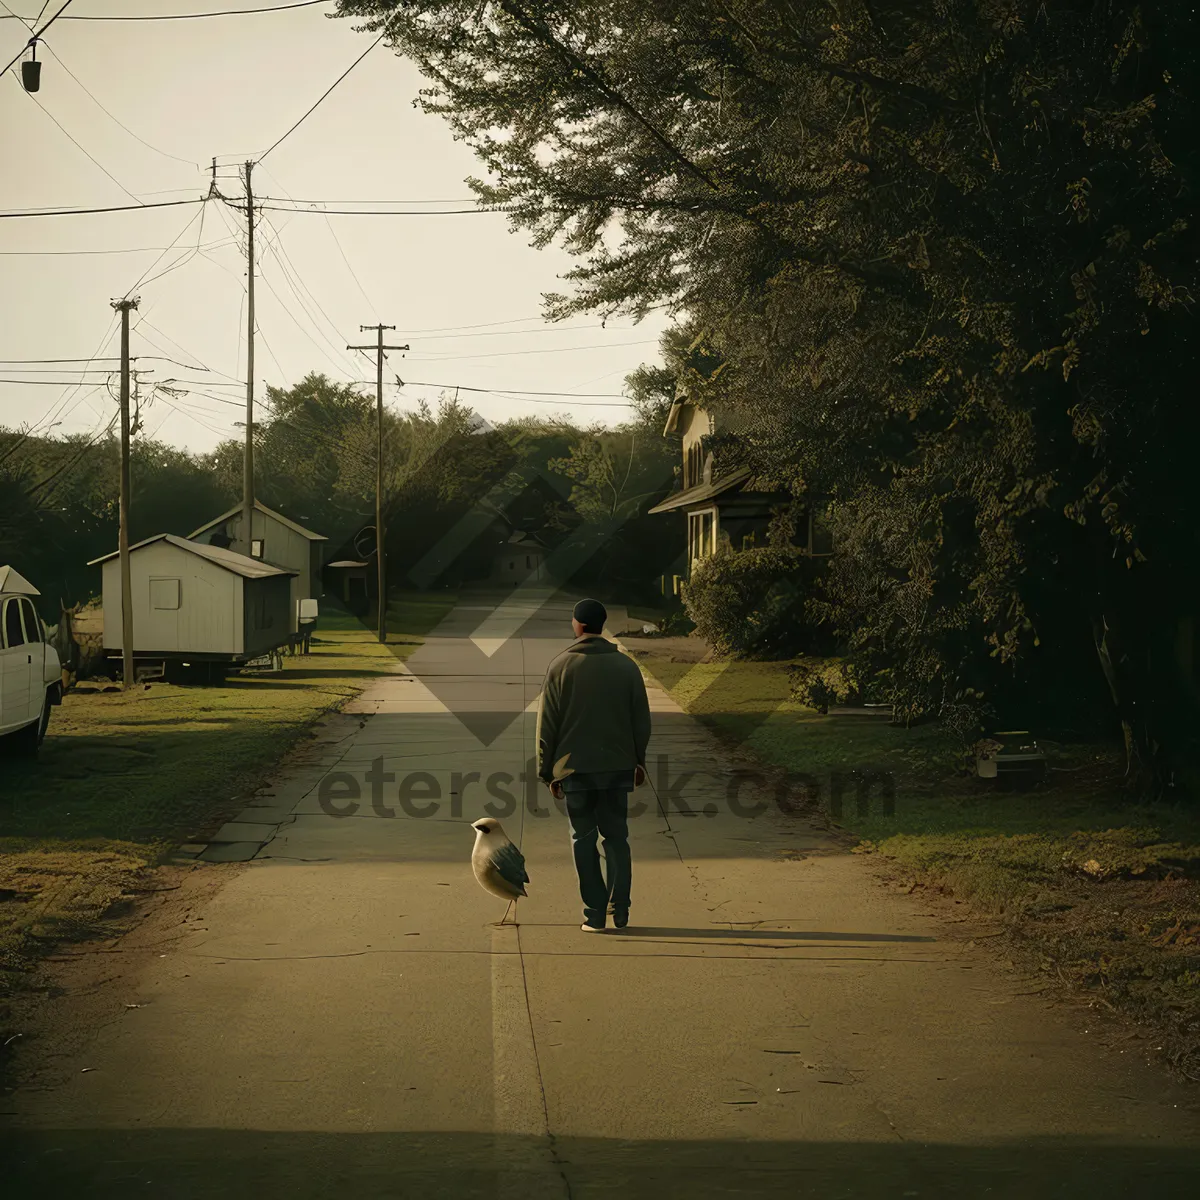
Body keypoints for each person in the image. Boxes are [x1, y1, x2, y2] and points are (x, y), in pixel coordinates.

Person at [536, 598, 651, 932]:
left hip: (575, 772)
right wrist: (638, 761)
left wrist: (547, 772)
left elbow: (547, 727)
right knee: (617, 838)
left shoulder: (560, 667)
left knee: (583, 840)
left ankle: (595, 914)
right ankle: (622, 911)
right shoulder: (627, 667)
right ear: (602, 625)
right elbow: (640, 721)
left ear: (578, 625)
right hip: (617, 769)